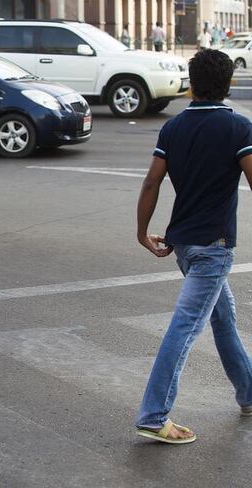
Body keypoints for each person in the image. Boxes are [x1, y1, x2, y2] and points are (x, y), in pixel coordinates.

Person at [135, 49, 252, 444]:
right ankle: (153, 414)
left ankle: (249, 394)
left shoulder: (174, 128)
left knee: (223, 318)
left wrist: (141, 232)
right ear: (228, 84)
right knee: (185, 327)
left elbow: (151, 182)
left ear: (191, 83)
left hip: (183, 243)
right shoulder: (238, 129)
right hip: (214, 246)